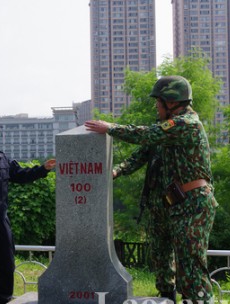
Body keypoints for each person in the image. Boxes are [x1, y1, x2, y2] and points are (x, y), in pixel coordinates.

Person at [84, 76, 218, 304]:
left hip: (193, 203)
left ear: (172, 102)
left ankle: (198, 300)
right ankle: (168, 297)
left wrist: (110, 128)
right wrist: (116, 171)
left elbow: (146, 135)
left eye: (159, 101)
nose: (156, 106)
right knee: (162, 256)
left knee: (191, 263)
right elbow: (142, 153)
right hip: (173, 202)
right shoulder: (167, 130)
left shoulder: (186, 124)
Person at [0, 113, 56, 304]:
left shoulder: (1, 158)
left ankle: (3, 300)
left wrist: (43, 169)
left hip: (1, 221)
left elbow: (20, 175)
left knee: (7, 265)